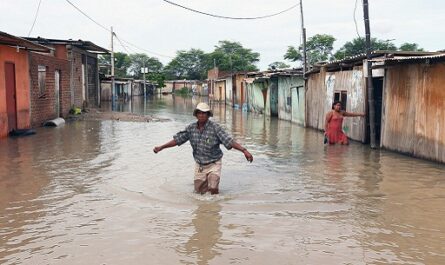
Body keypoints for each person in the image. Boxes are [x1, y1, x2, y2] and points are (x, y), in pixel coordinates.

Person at [153, 102, 253, 195]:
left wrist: (244, 150)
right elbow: (177, 140)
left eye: (204, 113)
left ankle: (214, 209)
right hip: (200, 165)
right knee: (199, 193)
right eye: (199, 113)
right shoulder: (191, 128)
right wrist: (161, 147)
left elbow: (229, 141)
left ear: (208, 115)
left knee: (213, 188)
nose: (201, 115)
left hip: (214, 163)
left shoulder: (215, 128)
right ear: (196, 115)